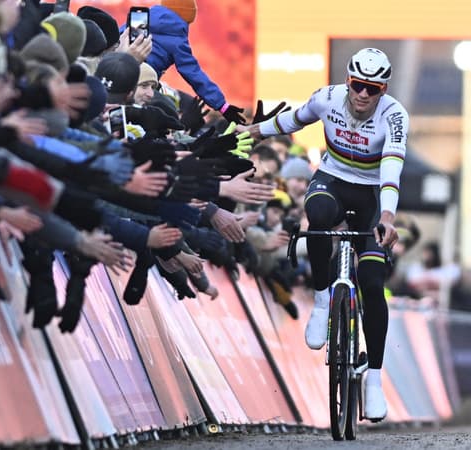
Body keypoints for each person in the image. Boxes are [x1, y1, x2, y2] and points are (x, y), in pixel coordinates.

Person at [240, 48, 408, 422]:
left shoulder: (394, 116)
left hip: (372, 194)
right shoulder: (327, 98)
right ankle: (321, 301)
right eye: (358, 85)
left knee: (371, 277)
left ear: (384, 90)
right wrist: (250, 131)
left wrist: (386, 216)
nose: (364, 95)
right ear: (348, 81)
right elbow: (291, 122)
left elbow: (392, 171)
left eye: (373, 89)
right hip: (331, 181)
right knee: (315, 213)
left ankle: (374, 381)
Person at [144, 0, 246, 124]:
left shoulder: (142, 19)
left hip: (121, 72)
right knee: (167, 109)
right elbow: (194, 74)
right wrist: (222, 106)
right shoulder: (176, 37)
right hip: (144, 82)